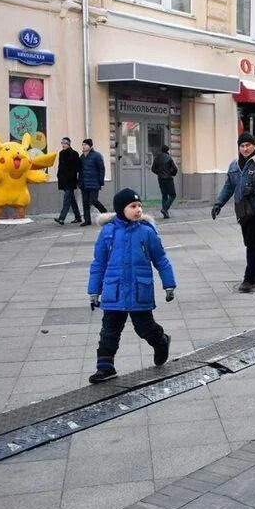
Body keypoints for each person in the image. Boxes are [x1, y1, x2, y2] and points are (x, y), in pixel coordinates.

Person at [87, 188, 175, 383]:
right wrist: (94, 290)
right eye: (133, 206)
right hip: (114, 290)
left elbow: (161, 259)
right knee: (109, 329)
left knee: (144, 328)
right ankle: (105, 366)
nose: (138, 210)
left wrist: (169, 284)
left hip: (138, 290)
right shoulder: (108, 232)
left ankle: (161, 341)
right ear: (121, 209)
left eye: (140, 206)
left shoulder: (146, 232)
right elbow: (98, 263)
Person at [211, 132, 255, 293]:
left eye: (248, 145)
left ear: (254, 145)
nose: (245, 148)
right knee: (251, 242)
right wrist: (218, 204)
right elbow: (228, 186)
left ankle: (249, 279)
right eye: (242, 146)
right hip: (243, 209)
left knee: (252, 240)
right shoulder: (234, 165)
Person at [79, 138, 107, 226]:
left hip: (94, 183)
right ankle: (87, 220)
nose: (83, 146)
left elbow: (102, 169)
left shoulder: (97, 156)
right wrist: (79, 182)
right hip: (84, 183)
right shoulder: (82, 157)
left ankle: (105, 212)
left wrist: (101, 182)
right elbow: (80, 170)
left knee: (93, 200)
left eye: (85, 145)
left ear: (90, 146)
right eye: (83, 144)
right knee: (85, 202)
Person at [54, 137, 82, 225]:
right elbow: (60, 165)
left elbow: (77, 168)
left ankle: (61, 218)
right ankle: (78, 217)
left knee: (66, 199)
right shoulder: (61, 153)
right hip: (63, 180)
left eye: (65, 143)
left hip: (70, 180)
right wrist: (58, 175)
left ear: (69, 144)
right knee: (71, 200)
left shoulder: (74, 154)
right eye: (62, 143)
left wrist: (72, 177)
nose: (63, 145)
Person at [150, 144, 179, 219]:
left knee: (164, 195)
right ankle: (165, 209)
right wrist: (172, 173)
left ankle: (165, 213)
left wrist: (159, 173)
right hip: (168, 179)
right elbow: (175, 169)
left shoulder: (157, 158)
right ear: (167, 150)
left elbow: (153, 169)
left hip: (160, 179)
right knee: (173, 195)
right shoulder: (169, 158)